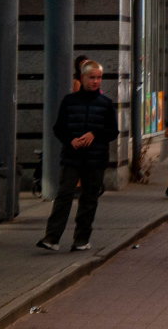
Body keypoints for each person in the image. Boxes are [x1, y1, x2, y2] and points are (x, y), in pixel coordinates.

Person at [37, 59, 118, 252]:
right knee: (64, 195)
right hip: (72, 156)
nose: (96, 81)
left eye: (99, 78)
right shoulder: (69, 101)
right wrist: (70, 140)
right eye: (92, 78)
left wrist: (94, 134)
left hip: (96, 158)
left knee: (89, 198)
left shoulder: (106, 104)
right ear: (82, 78)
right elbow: (58, 128)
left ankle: (81, 239)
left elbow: (113, 131)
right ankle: (52, 238)